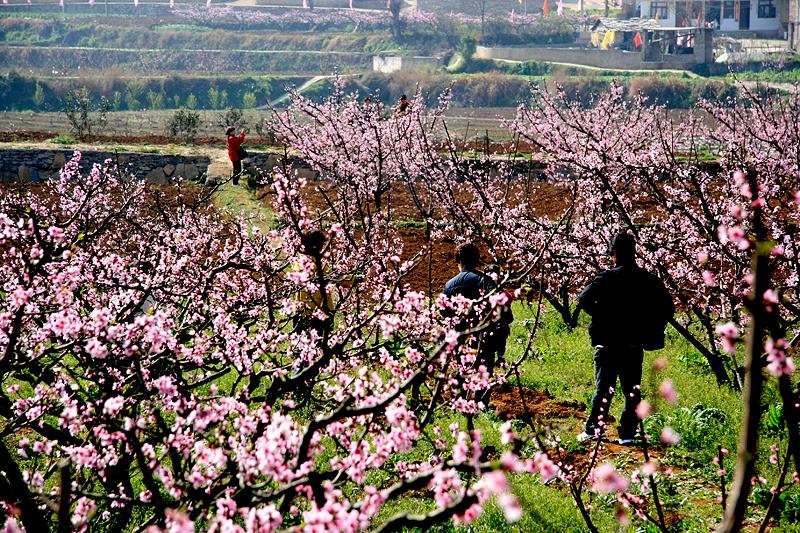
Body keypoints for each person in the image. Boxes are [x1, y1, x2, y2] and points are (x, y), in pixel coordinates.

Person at [573, 232, 674, 444]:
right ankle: (628, 433)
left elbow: (583, 299)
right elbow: (667, 307)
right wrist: (650, 325)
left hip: (608, 342)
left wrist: (601, 315)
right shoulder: (648, 279)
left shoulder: (606, 277)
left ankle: (595, 429)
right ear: (634, 252)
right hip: (633, 343)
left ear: (614, 253)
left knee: (603, 389)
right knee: (632, 390)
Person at [443, 242, 513, 402]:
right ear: (477, 260)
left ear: (458, 261)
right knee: (483, 373)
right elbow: (500, 302)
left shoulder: (449, 285)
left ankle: (461, 404)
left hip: (461, 337)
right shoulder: (484, 280)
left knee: (462, 371)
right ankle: (481, 406)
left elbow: (444, 312)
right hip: (484, 337)